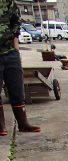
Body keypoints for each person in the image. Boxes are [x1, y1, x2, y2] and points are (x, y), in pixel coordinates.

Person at [0, 0, 41, 135]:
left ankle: (23, 124)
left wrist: (15, 42)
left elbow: (16, 21)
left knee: (17, 88)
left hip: (10, 51)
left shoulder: (7, 2)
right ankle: (1, 127)